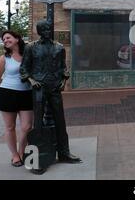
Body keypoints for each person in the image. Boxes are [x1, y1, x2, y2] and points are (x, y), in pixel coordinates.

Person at [20, 20, 81, 175]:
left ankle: (64, 152)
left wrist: (63, 81)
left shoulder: (59, 48)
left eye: (49, 28)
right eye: (44, 29)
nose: (48, 31)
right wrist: (32, 81)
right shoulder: (30, 47)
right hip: (39, 87)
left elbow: (63, 68)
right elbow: (24, 68)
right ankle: (38, 158)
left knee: (60, 120)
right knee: (38, 123)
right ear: (39, 31)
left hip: (54, 87)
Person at [0, 31, 33, 167]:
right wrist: (8, 85)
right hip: (7, 94)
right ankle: (15, 155)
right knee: (10, 127)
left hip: (26, 94)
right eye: (4, 39)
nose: (5, 40)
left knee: (27, 126)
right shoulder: (5, 58)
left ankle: (22, 152)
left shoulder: (28, 55)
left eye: (8, 38)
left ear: (17, 39)